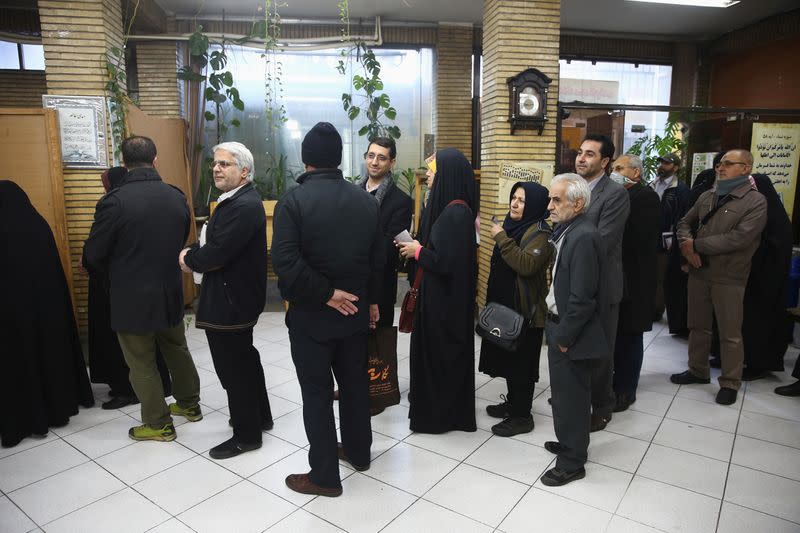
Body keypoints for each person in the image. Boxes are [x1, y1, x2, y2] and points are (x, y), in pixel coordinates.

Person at [272, 122, 383, 497]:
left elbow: (285, 261)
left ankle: (323, 476)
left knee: (317, 394)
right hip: (354, 316)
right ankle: (358, 452)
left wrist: (325, 293)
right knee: (354, 387)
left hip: (311, 318)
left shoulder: (293, 202)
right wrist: (366, 301)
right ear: (339, 158)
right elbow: (378, 260)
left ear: (305, 159)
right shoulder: (366, 200)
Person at [83, 136, 202, 442]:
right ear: (155, 159)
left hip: (131, 295)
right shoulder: (176, 196)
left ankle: (158, 423)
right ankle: (190, 405)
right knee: (177, 348)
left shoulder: (114, 201)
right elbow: (182, 237)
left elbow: (93, 255)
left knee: (141, 360)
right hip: (170, 289)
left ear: (124, 162)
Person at [180, 142, 273, 460]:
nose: (216, 169)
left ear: (244, 172)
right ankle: (259, 417)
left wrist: (189, 258)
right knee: (244, 360)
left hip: (231, 301)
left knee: (234, 368)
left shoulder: (243, 206)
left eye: (225, 164)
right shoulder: (236, 201)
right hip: (235, 297)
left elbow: (218, 254)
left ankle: (247, 436)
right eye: (215, 163)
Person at [0, 181, 94, 448]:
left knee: (19, 363)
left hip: (11, 316)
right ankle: (57, 407)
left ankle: (23, 419)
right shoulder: (38, 224)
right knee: (49, 356)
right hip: (48, 311)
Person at [672, 149, 767, 405]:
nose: (720, 168)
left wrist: (696, 246)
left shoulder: (755, 201)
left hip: (729, 276)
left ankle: (730, 382)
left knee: (730, 332)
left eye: (728, 164)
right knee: (697, 325)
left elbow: (740, 238)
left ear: (746, 168)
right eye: (719, 164)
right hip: (699, 271)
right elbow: (683, 222)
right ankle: (697, 370)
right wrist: (685, 243)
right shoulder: (708, 195)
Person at [397, 148, 477, 434]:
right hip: (441, 298)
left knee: (439, 357)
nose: (429, 175)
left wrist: (418, 251)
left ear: (448, 175)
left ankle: (438, 415)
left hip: (445, 304)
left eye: (433, 170)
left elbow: (447, 263)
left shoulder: (457, 212)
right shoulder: (452, 208)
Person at [85, 166, 173, 410]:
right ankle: (166, 388)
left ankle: (135, 396)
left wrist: (92, 264)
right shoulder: (166, 198)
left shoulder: (114, 204)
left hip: (119, 285)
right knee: (156, 342)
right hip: (158, 284)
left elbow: (95, 252)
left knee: (131, 347)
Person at [541, 173, 608, 487]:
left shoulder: (582, 236)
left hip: (572, 333)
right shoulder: (568, 230)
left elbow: (583, 298)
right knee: (565, 396)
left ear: (578, 203)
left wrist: (564, 338)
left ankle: (572, 462)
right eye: (550, 199)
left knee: (572, 399)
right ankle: (570, 442)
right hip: (561, 326)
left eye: (557, 200)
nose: (550, 206)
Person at [479, 182, 553, 437]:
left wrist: (500, 237)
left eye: (522, 200)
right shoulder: (514, 226)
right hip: (507, 305)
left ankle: (522, 416)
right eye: (514, 197)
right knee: (509, 359)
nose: (514, 203)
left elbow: (527, 265)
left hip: (526, 311)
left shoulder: (541, 232)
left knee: (522, 364)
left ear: (534, 205)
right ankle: (512, 404)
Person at [575, 134, 630, 431]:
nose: (581, 158)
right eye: (580, 153)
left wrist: (564, 241)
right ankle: (577, 397)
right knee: (575, 345)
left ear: (605, 162)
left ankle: (602, 406)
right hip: (573, 282)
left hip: (602, 286)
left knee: (599, 350)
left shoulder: (615, 195)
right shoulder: (573, 188)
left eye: (590, 154)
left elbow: (602, 240)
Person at [609, 155, 661, 412]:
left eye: (619, 168)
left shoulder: (645, 198)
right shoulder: (615, 195)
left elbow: (636, 239)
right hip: (615, 278)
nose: (614, 172)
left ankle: (626, 390)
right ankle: (609, 384)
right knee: (614, 335)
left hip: (635, 279)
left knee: (629, 336)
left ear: (636, 173)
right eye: (613, 168)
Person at [739, 173, 792, 380]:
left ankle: (758, 364)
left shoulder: (775, 217)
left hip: (767, 283)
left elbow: (775, 250)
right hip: (750, 278)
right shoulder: (754, 210)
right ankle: (742, 357)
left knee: (759, 323)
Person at [357, 137, 412, 329]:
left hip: (380, 285)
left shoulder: (401, 201)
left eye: (381, 158)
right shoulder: (352, 193)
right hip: (351, 283)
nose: (374, 162)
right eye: (371, 156)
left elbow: (390, 248)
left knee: (379, 351)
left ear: (392, 162)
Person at [650, 153, 691, 336]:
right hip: (649, 237)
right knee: (650, 275)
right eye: (661, 162)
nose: (662, 166)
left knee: (661, 276)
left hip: (666, 239)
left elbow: (681, 216)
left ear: (675, 167)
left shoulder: (680, 190)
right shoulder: (652, 185)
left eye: (667, 163)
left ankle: (657, 310)